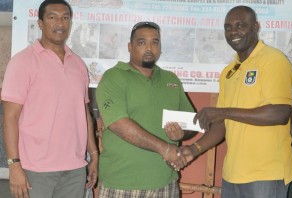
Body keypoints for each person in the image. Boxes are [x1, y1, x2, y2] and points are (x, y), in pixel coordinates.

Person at [176, 5, 292, 198]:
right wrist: (193, 149)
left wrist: (223, 112)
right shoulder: (229, 71)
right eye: (228, 27)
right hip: (232, 174)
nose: (234, 31)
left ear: (256, 27)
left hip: (266, 173)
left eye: (241, 25)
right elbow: (221, 125)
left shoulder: (273, 60)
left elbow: (280, 113)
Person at [1, 0, 98, 198]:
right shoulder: (22, 62)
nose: (60, 23)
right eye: (52, 17)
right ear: (40, 23)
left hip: (75, 168)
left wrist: (94, 154)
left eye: (65, 17)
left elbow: (84, 113)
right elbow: (10, 118)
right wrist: (14, 165)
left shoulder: (78, 64)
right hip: (34, 170)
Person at [96, 21, 196, 198]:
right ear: (130, 47)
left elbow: (191, 122)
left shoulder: (171, 80)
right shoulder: (114, 77)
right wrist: (165, 149)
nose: (149, 48)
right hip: (122, 184)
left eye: (155, 42)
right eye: (142, 42)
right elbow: (118, 124)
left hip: (165, 182)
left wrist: (182, 134)